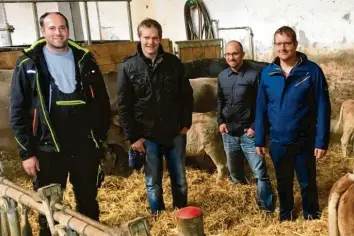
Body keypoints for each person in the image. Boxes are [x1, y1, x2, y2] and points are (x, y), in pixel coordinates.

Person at [9, 12, 111, 235]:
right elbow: (17, 111)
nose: (58, 32)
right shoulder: (28, 63)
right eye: (52, 28)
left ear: (68, 30)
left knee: (88, 201)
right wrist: (26, 153)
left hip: (84, 146)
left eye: (62, 27)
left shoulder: (85, 59)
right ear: (43, 31)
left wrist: (99, 138)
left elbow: (102, 102)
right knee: (49, 206)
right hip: (48, 148)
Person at [116, 18, 193, 215]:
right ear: (139, 38)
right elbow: (124, 105)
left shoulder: (173, 63)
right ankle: (159, 218)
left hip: (174, 132)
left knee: (180, 179)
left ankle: (182, 214)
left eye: (155, 38)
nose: (151, 42)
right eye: (147, 38)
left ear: (160, 39)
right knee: (152, 182)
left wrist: (185, 124)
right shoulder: (128, 67)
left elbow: (186, 94)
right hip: (147, 136)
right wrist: (133, 137)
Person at [255, 26, 331, 222]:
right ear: (274, 46)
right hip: (278, 141)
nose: (283, 47)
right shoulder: (268, 73)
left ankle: (311, 216)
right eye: (278, 44)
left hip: (304, 139)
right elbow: (261, 107)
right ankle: (286, 215)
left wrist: (321, 141)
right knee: (283, 182)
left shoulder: (311, 71)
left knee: (307, 182)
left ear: (295, 44)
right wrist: (259, 139)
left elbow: (323, 106)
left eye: (287, 43)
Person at [216, 40, 274, 213]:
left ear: (242, 55)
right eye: (227, 54)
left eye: (234, 54)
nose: (231, 57)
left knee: (260, 173)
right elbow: (220, 101)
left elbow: (262, 103)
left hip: (249, 133)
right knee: (235, 173)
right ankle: (243, 207)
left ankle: (266, 208)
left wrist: (255, 127)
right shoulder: (222, 76)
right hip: (229, 134)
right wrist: (220, 122)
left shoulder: (254, 75)